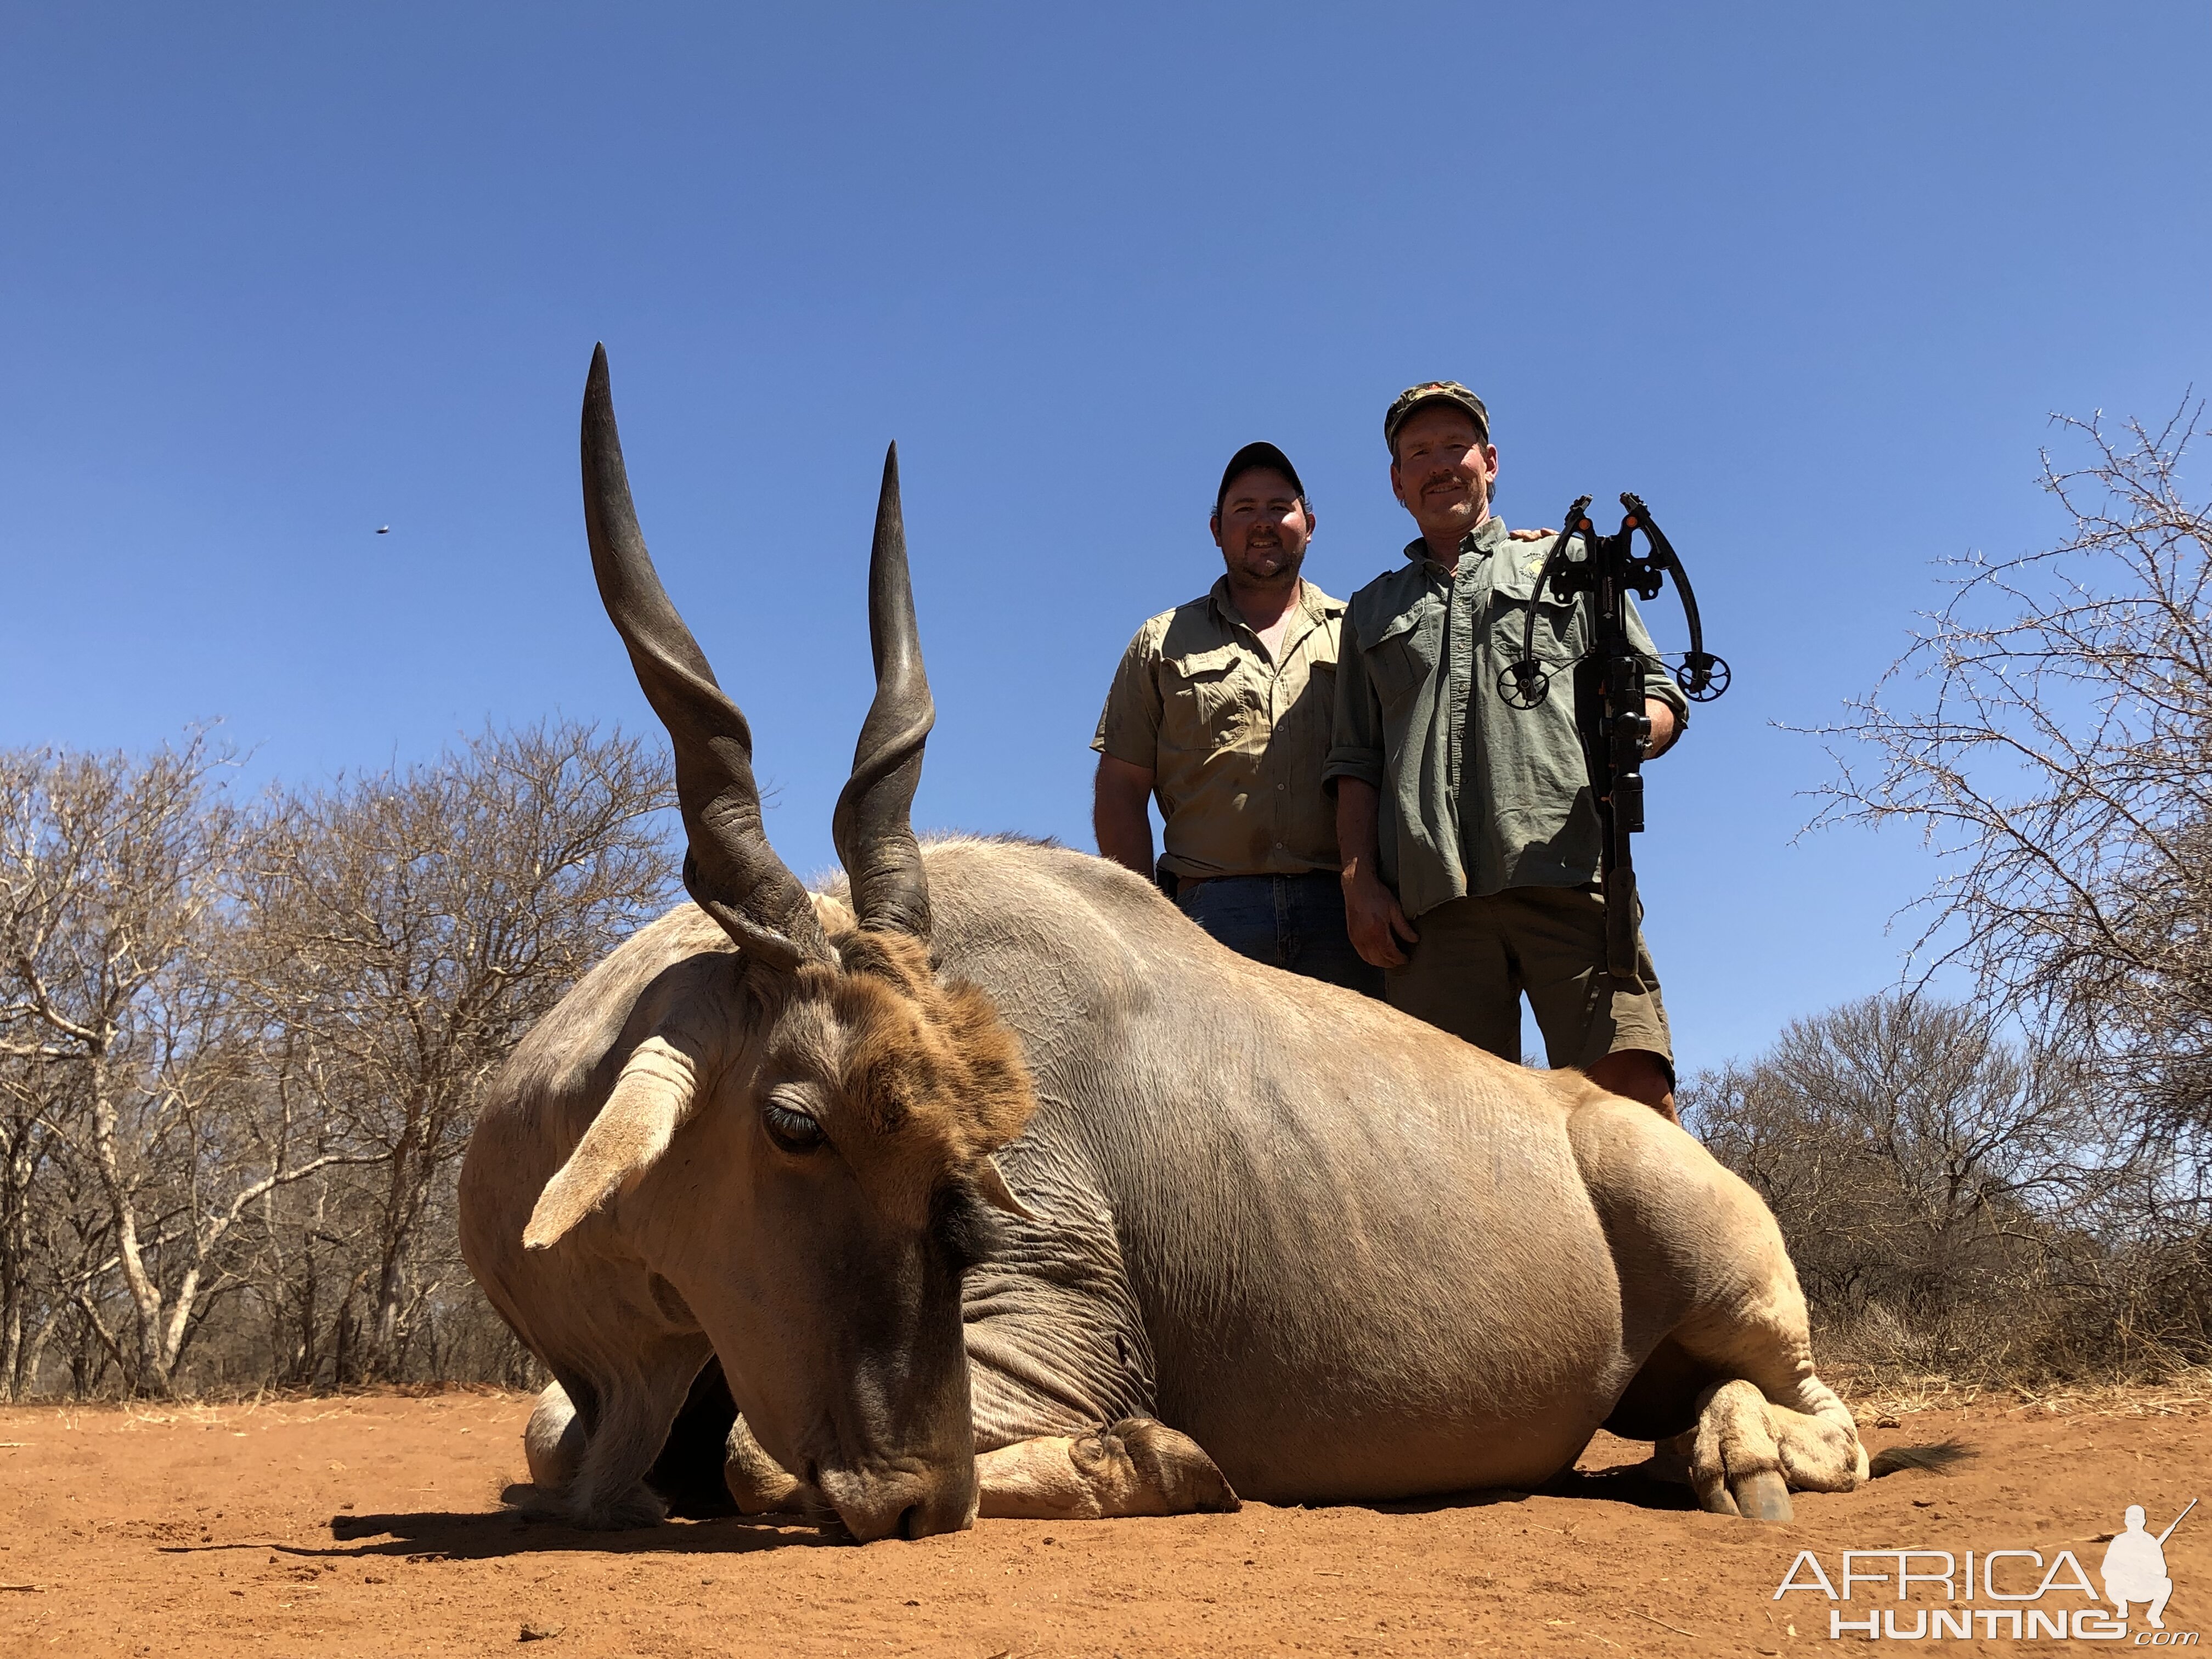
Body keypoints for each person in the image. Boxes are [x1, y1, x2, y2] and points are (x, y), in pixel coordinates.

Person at [1326, 381, 1690, 1117]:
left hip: (1570, 876)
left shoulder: (1572, 563)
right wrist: (1360, 886)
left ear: (1489, 462)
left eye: (1454, 447)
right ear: (1398, 483)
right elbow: (1356, 762)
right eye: (1418, 453)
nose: (1439, 466)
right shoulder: (1370, 609)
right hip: (1432, 910)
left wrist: (1638, 729)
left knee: (1632, 1109)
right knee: (1454, 1144)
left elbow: (1660, 692)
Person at [1092, 443, 1380, 994]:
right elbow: (1121, 787)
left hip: (1343, 913)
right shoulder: (1159, 642)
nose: (1264, 524)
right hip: (1207, 914)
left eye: (1279, 507)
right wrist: (1142, 924)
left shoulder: (1361, 633)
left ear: (1310, 524)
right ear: (1216, 530)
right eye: (1244, 510)